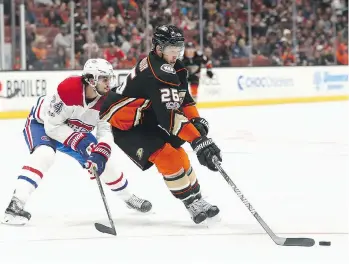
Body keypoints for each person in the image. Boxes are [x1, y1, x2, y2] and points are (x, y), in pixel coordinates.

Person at [2, 58, 152, 226]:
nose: (108, 83)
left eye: (109, 79)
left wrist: (101, 152)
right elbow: (52, 127)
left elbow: (105, 129)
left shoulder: (107, 99)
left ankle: (128, 197)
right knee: (44, 154)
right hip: (43, 124)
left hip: (74, 131)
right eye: (104, 79)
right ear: (91, 79)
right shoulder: (69, 89)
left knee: (103, 162)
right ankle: (16, 204)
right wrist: (80, 142)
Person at [99, 25, 222, 224]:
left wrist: (195, 120)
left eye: (178, 50)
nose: (175, 55)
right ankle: (190, 202)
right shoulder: (157, 72)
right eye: (171, 50)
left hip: (147, 118)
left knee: (179, 153)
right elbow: (171, 118)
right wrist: (197, 140)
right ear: (158, 48)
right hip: (129, 126)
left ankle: (198, 199)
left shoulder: (175, 67)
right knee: (168, 156)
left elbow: (185, 99)